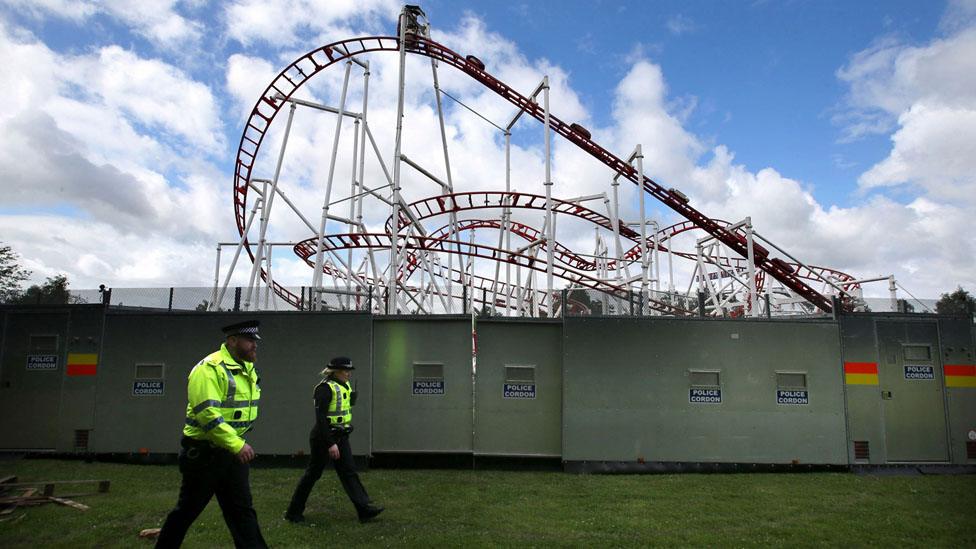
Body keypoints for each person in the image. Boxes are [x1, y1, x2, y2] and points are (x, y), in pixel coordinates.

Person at [156, 320, 267, 548]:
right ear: (232, 341)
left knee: (243, 512)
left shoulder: (247, 369)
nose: (254, 345)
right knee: (186, 512)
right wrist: (237, 445)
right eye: (249, 340)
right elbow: (207, 414)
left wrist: (235, 446)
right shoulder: (209, 369)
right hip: (204, 456)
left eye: (255, 341)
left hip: (231, 455)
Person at [285, 356, 383, 524]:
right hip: (324, 437)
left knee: (349, 472)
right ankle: (293, 512)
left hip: (341, 435)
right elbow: (321, 419)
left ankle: (364, 510)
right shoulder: (324, 389)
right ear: (336, 372)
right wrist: (330, 443)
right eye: (346, 371)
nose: (349, 374)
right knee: (313, 474)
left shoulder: (344, 385)